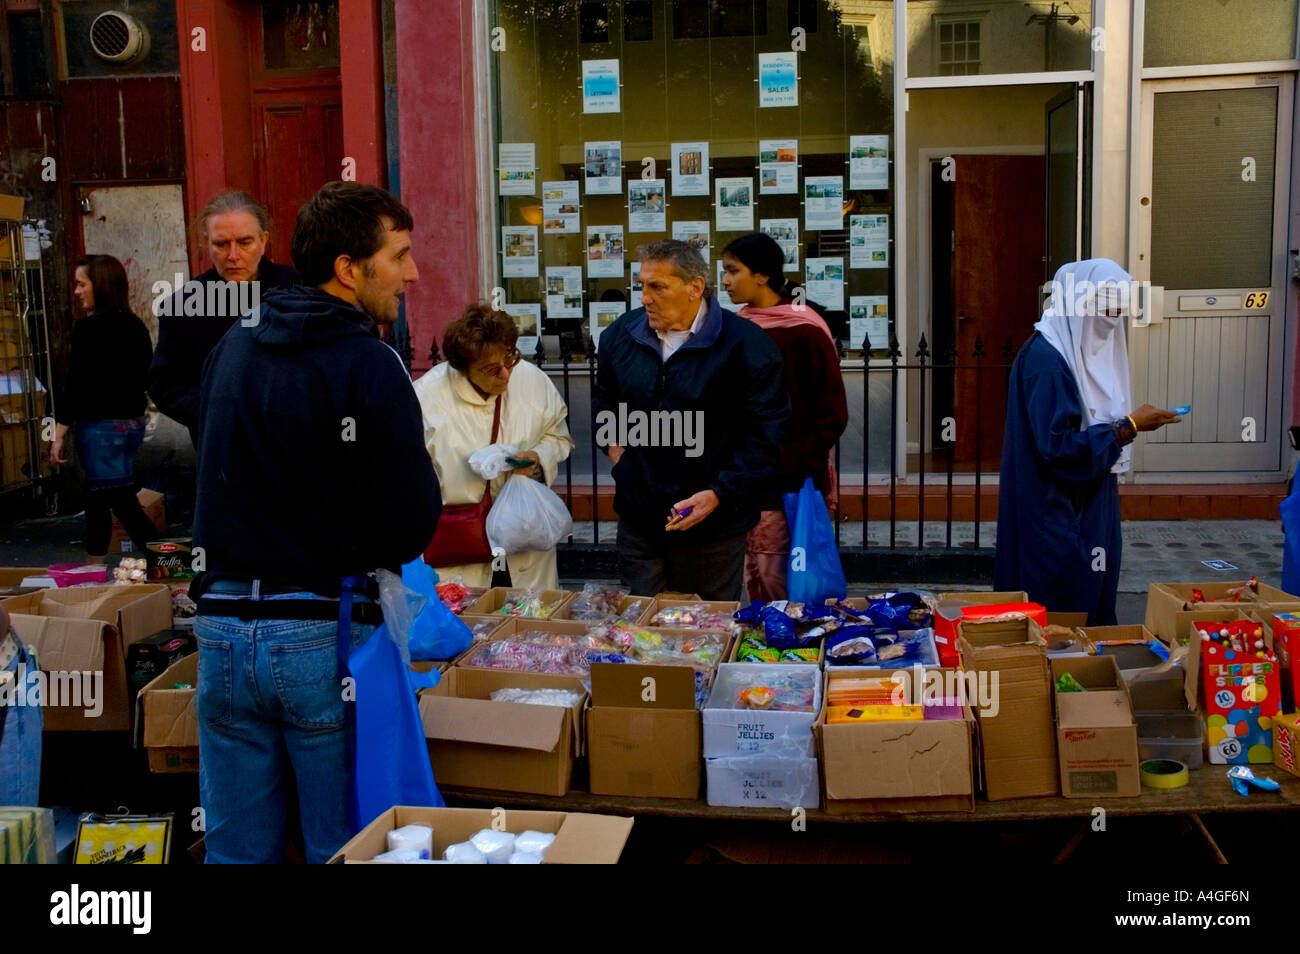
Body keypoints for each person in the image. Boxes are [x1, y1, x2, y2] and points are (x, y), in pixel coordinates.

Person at [189, 182, 438, 864]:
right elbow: (410, 523)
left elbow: (208, 464)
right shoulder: (370, 360)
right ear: (349, 269)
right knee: (344, 849)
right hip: (319, 637)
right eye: (400, 256)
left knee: (236, 854)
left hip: (220, 630)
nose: (412, 273)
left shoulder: (234, 346)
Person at [593, 239, 790, 601]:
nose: (645, 298)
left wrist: (719, 493)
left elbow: (766, 435)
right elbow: (606, 403)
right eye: (642, 286)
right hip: (641, 518)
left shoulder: (746, 345)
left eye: (657, 287)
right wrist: (619, 455)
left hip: (715, 525)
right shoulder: (619, 337)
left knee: (707, 630)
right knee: (643, 628)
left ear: (694, 288)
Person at [994, 259, 1180, 625]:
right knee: (1061, 610)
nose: (1111, 321)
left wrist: (1127, 427)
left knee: (1091, 597)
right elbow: (1058, 447)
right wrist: (1126, 427)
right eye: (1105, 311)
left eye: (1117, 312)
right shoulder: (1047, 362)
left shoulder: (1069, 351)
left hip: (1087, 501)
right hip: (1057, 509)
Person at [722, 233, 848, 602]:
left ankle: (795, 652)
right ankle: (762, 652)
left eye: (733, 271)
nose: (726, 280)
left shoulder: (804, 329)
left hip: (789, 479)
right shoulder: (737, 327)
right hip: (745, 477)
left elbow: (832, 411)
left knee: (783, 575)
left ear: (761, 276)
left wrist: (796, 462)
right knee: (753, 574)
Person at [414, 304, 574, 588]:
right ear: (463, 369)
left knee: (529, 623)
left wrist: (539, 457)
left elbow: (558, 436)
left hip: (523, 538)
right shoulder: (427, 397)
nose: (505, 374)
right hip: (461, 545)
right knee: (471, 624)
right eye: (491, 368)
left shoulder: (532, 379)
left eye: (509, 358)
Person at [148, 190, 298, 448]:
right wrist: (217, 412)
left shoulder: (300, 291)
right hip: (224, 450)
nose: (233, 255)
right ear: (207, 244)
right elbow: (164, 384)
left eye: (244, 242)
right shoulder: (183, 306)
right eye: (221, 244)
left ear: (263, 241)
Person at [50, 255, 160, 562]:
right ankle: (93, 571)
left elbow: (72, 388)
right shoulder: (136, 326)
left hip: (101, 430)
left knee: (119, 501)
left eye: (81, 284)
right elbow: (146, 376)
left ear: (100, 286)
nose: (76, 291)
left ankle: (174, 570)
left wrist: (57, 434)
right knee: (100, 498)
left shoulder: (87, 330)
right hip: (130, 427)